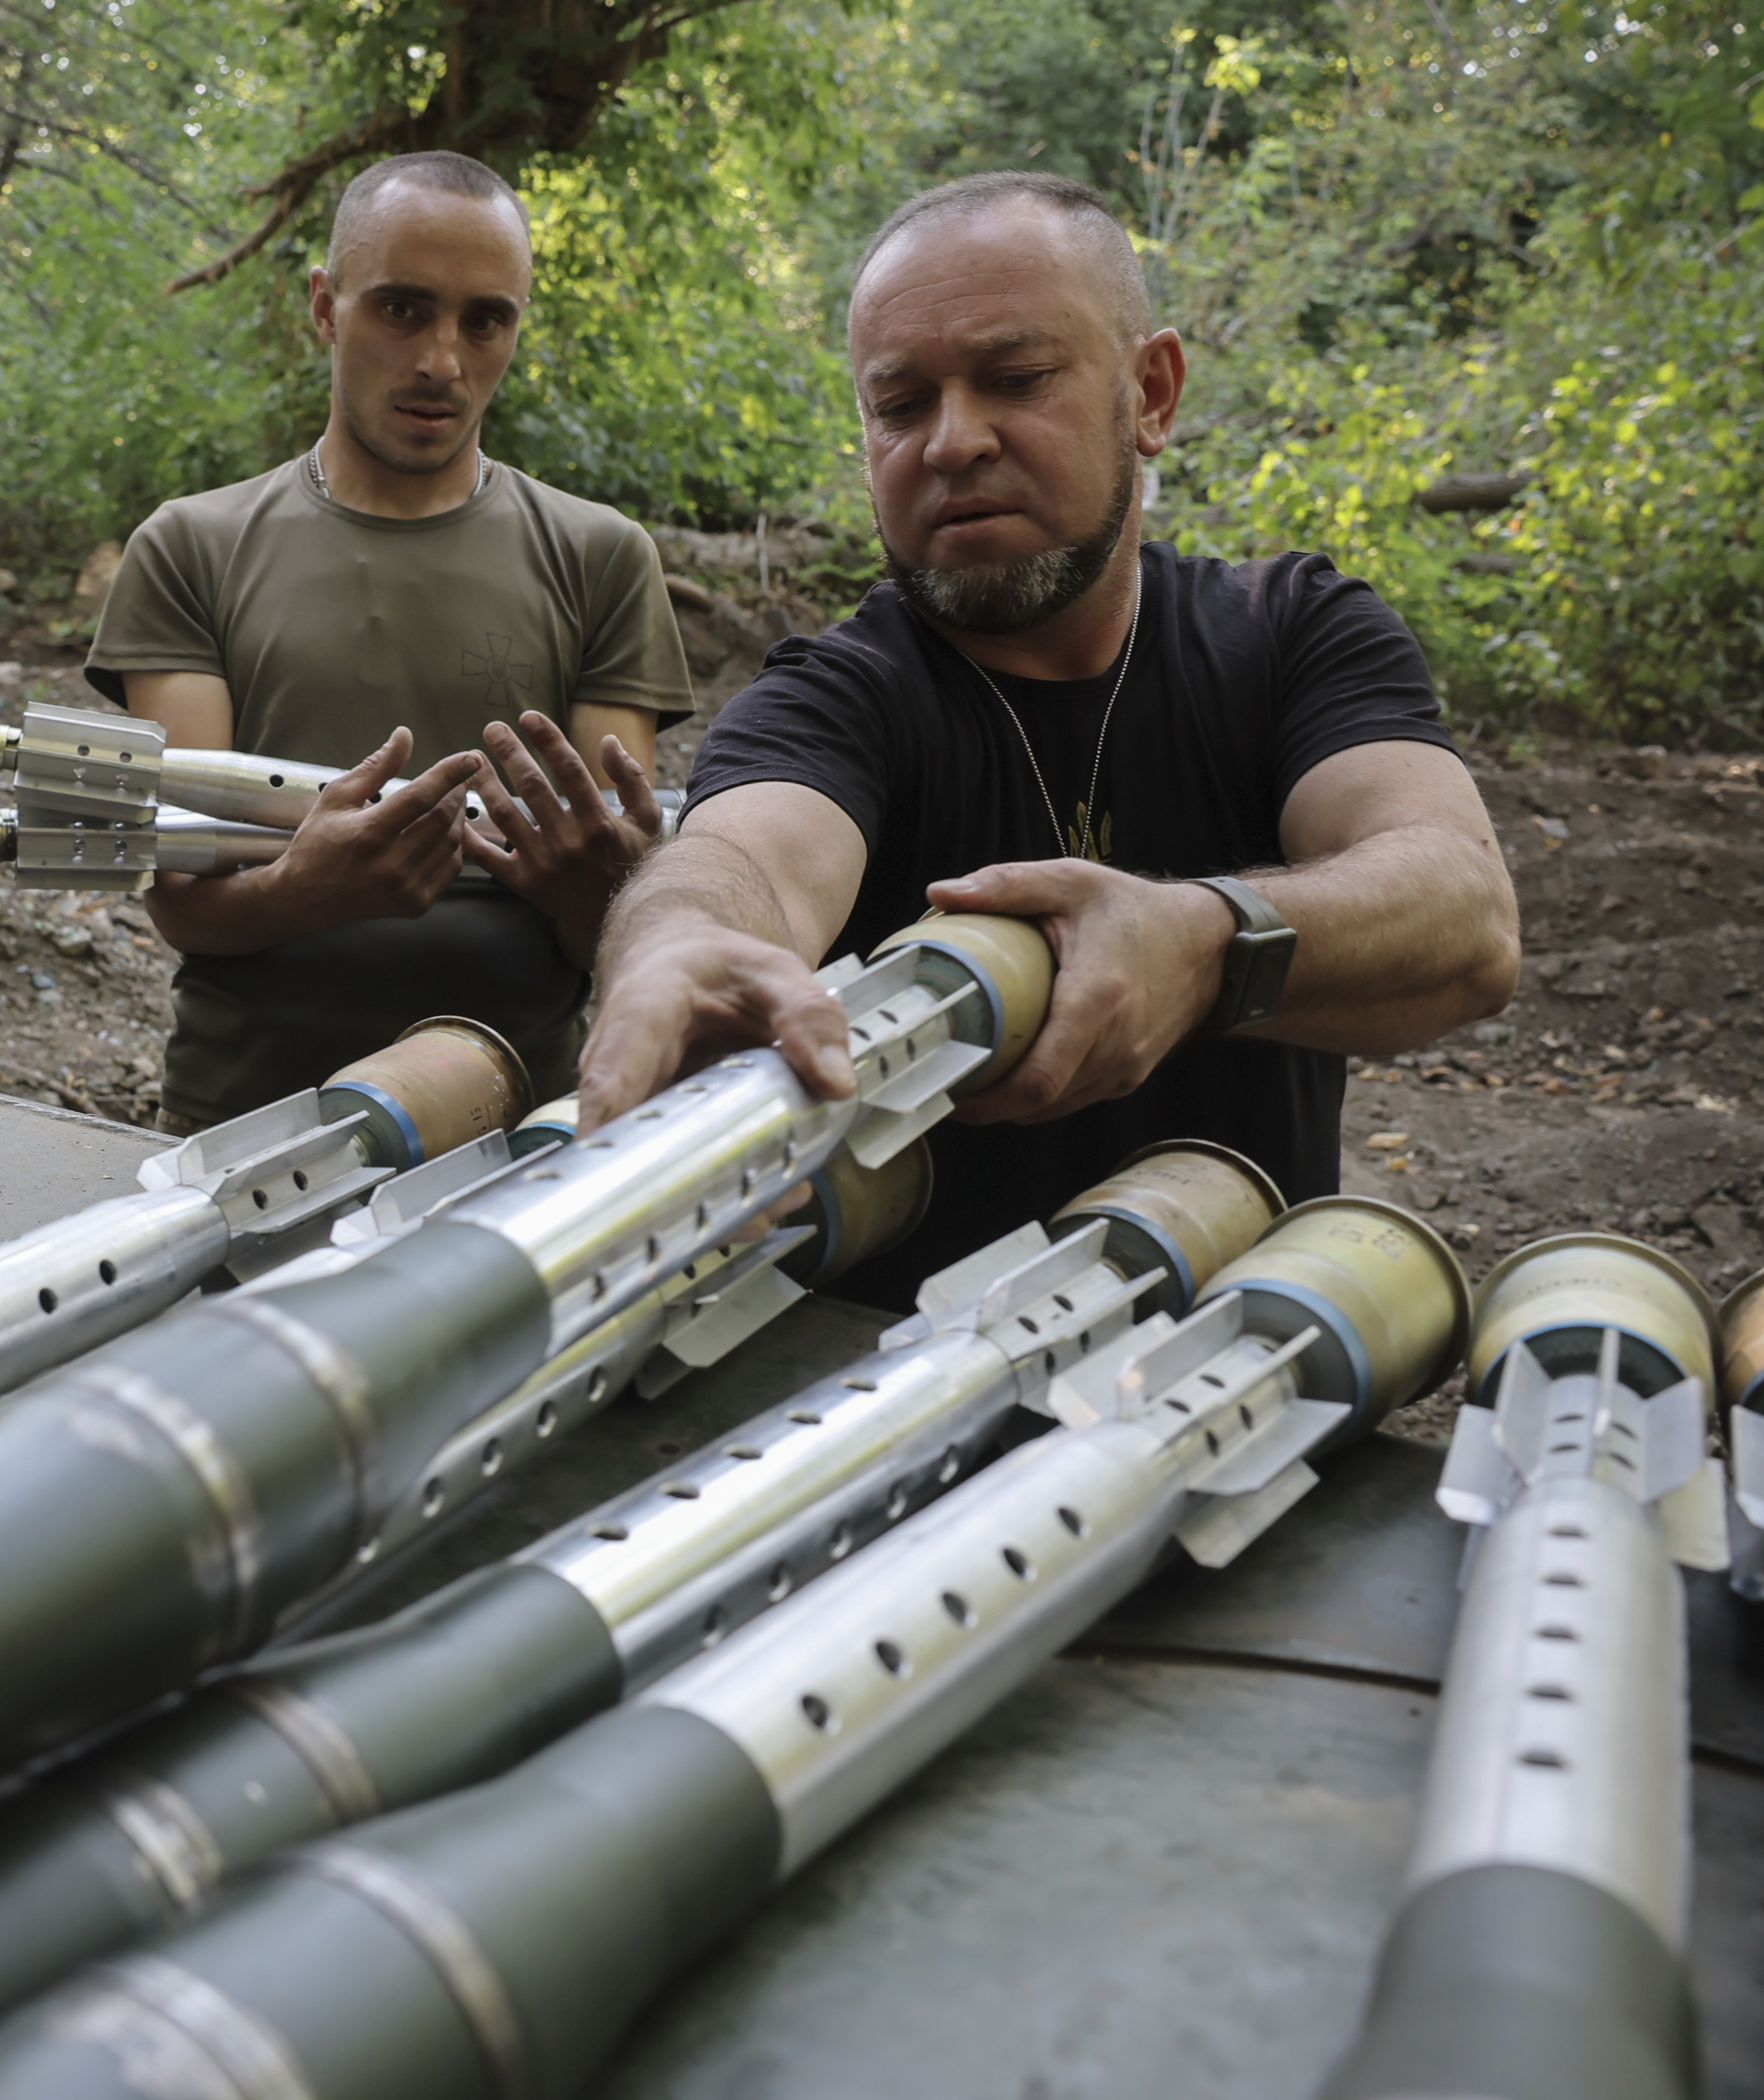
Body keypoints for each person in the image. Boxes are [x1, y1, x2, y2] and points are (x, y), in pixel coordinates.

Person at [582, 171, 1519, 1304]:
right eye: (902, 403)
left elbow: (1465, 918)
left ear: (1152, 393)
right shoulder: (838, 694)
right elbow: (740, 863)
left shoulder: (1294, 634)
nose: (952, 441)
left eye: (1016, 379)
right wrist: (671, 945)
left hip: (1251, 1368)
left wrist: (1204, 941)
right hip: (882, 1406)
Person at [88, 150, 695, 1129]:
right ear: (326, 308)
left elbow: (613, 923)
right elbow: (182, 897)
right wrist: (308, 891)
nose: (442, 362)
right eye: (402, 309)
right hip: (247, 1121)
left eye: (484, 320)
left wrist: (600, 891)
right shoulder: (192, 546)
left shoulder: (603, 557)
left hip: (530, 1134)